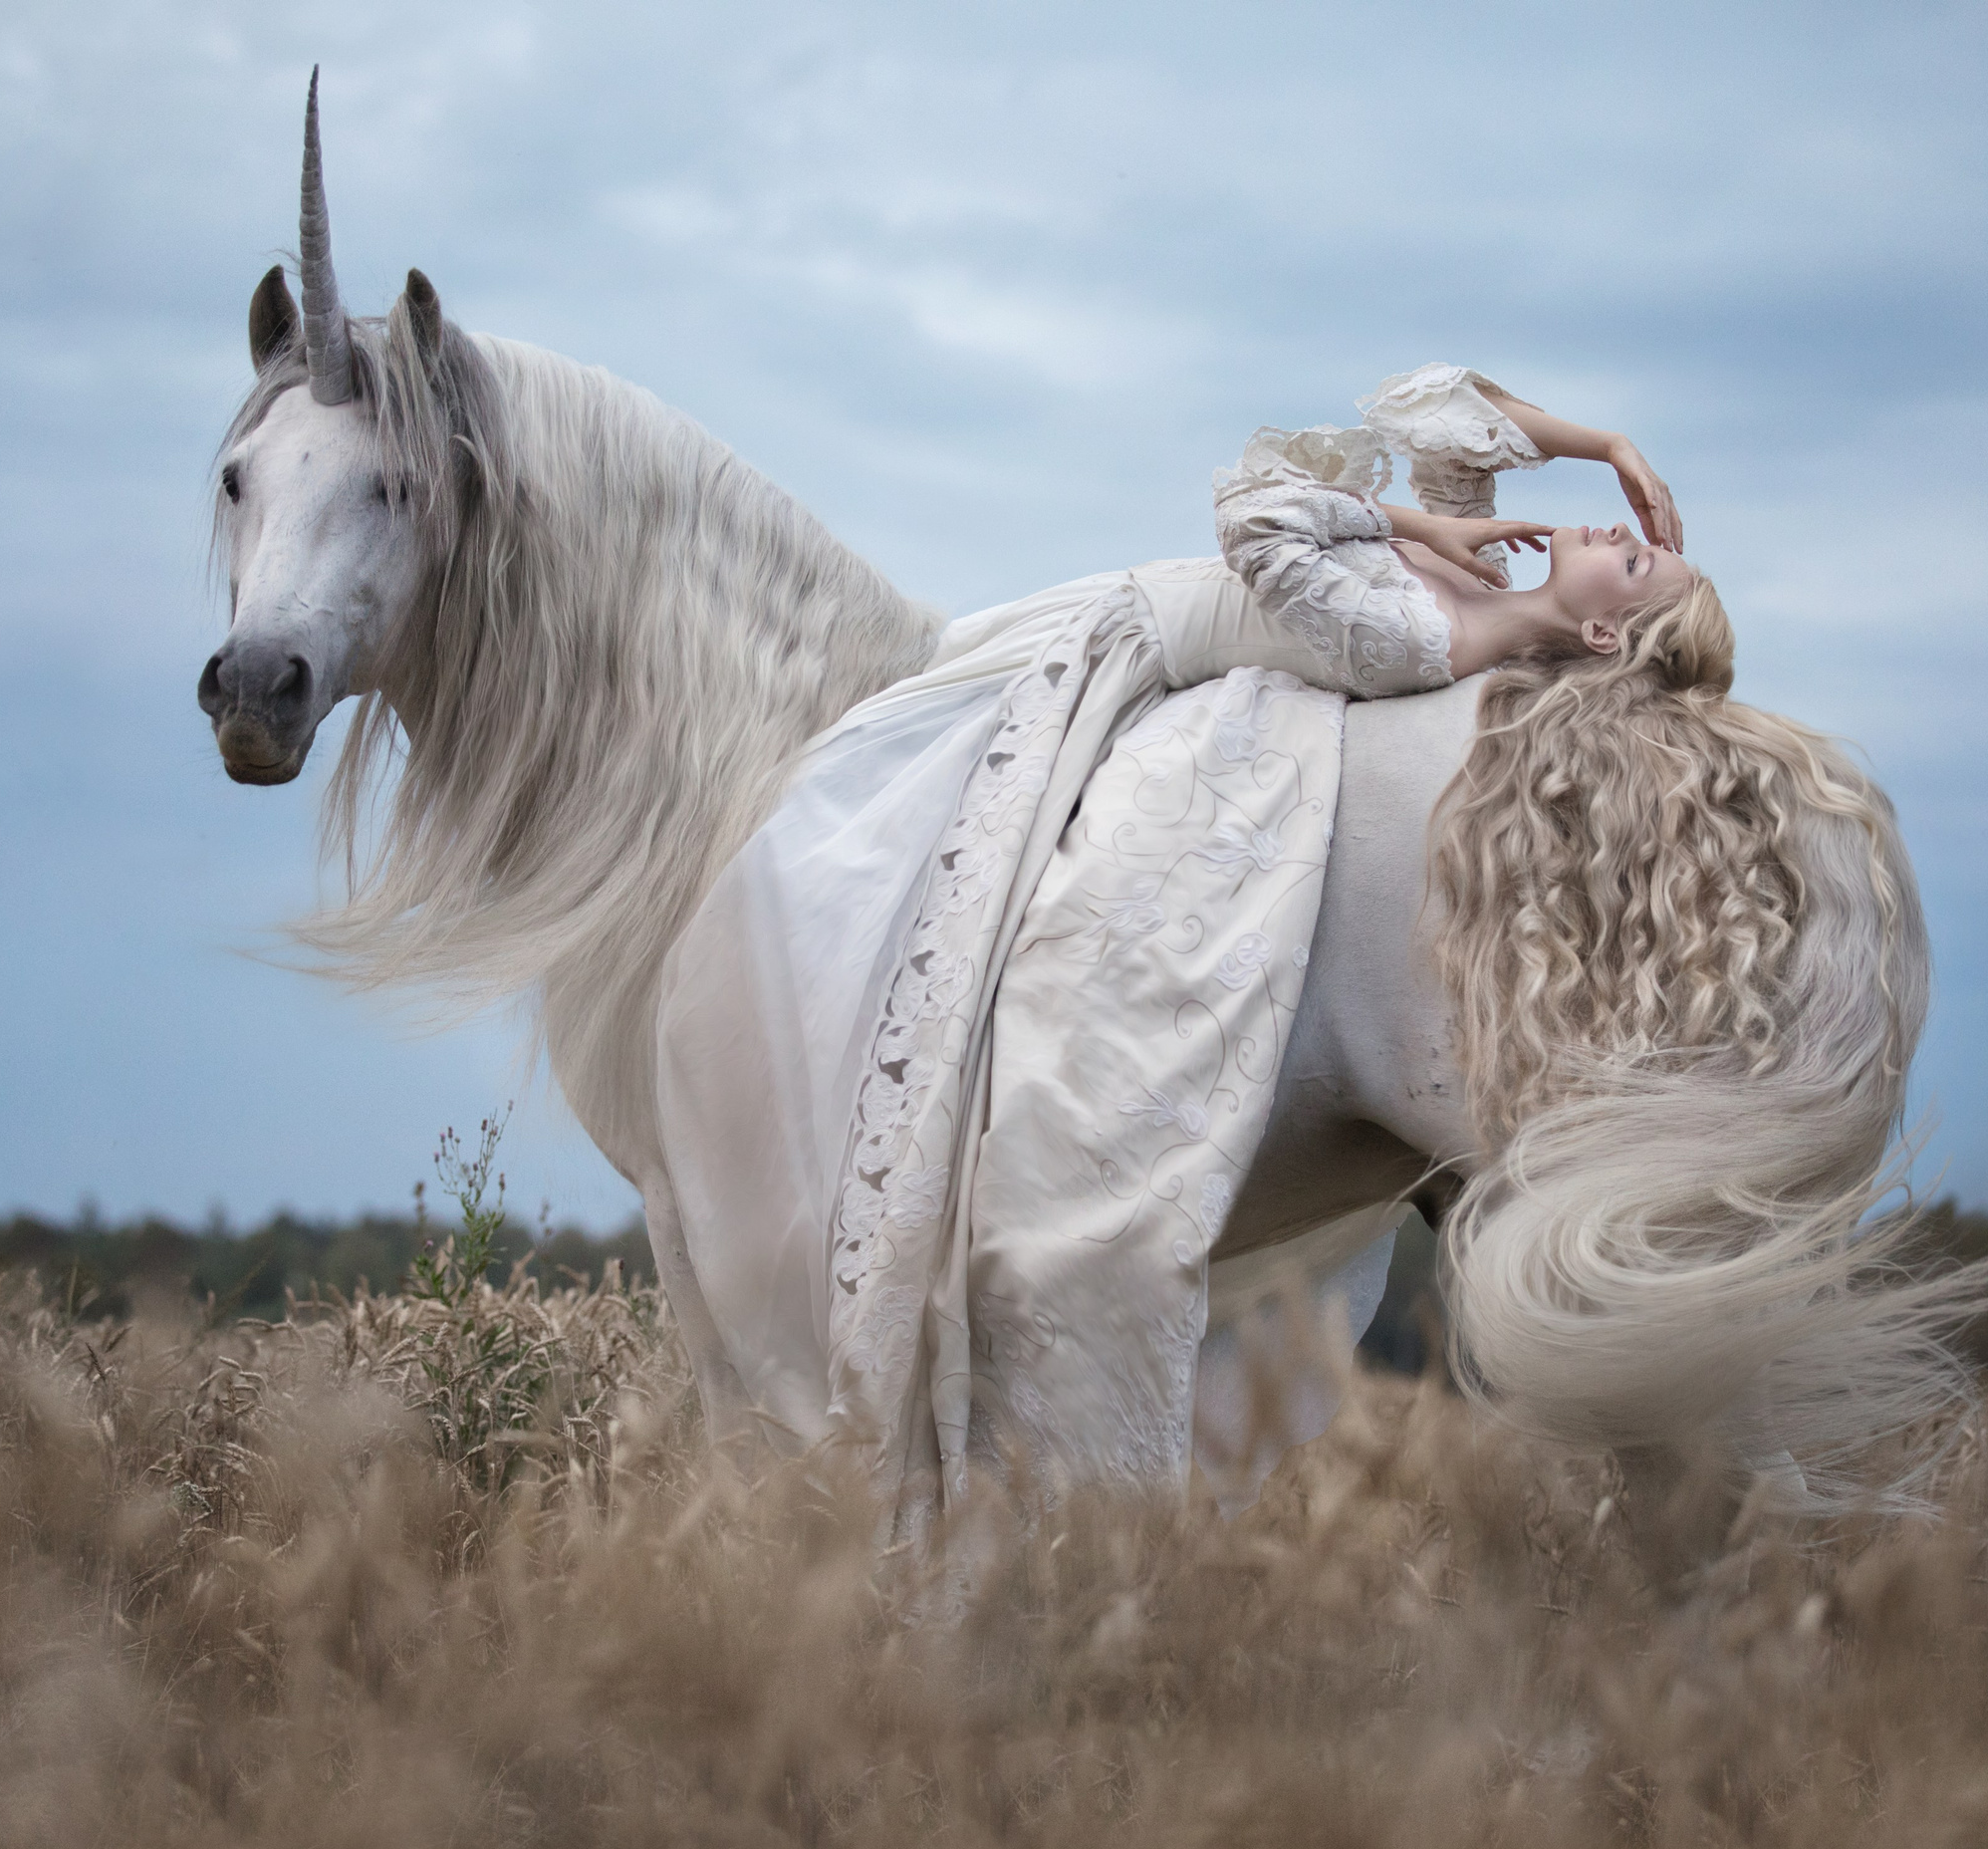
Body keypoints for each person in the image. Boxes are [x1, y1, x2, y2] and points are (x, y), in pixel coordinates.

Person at [653, 365, 1698, 1513]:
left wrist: (1411, 522)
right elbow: (1424, 402)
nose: (1615, 531)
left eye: (1634, 557)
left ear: (1601, 626)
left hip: (1108, 654)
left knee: (849, 845)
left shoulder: (1423, 638)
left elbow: (1257, 507)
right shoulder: (1487, 593)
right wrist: (1602, 445)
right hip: (1103, 620)